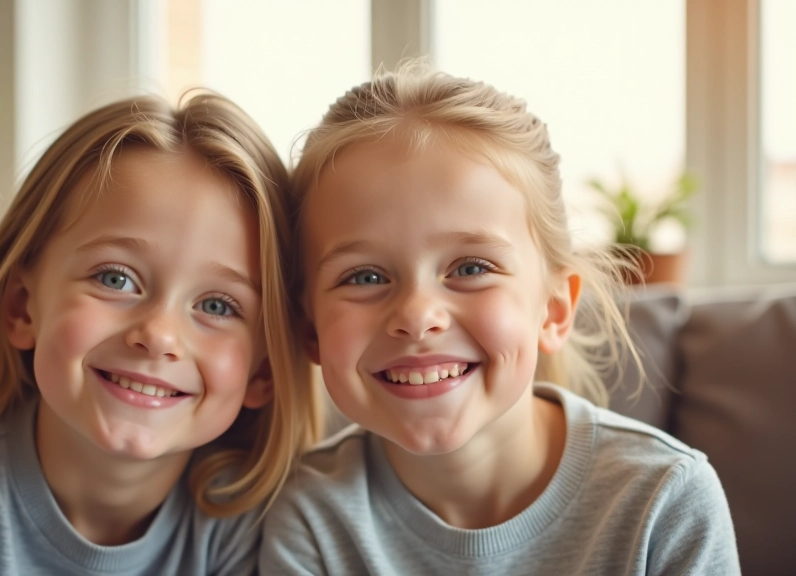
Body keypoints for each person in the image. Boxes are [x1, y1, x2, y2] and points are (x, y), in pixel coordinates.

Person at [260, 66, 740, 575]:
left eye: (471, 268)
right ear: (309, 327)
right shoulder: (310, 516)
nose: (418, 316)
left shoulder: (667, 502)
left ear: (554, 309)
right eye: (363, 276)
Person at [0, 92, 320, 575]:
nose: (158, 335)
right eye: (115, 278)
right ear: (21, 307)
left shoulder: (255, 521)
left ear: (264, 370)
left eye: (218, 306)